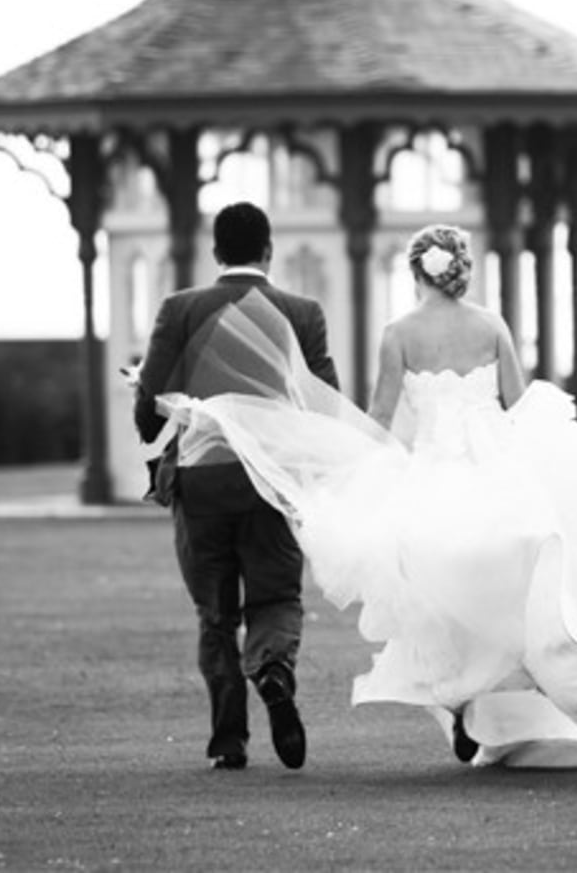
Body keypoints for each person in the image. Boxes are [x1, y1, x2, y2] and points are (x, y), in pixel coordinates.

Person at [157, 223, 577, 769]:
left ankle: (462, 705)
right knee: (514, 595)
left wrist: (337, 460)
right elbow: (517, 406)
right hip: (496, 474)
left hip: (433, 479)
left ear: (417, 274)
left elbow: (382, 418)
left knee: (434, 597)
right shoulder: (491, 326)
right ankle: (514, 696)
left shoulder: (398, 335)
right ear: (459, 269)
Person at [133, 201, 338, 772]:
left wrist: (153, 426)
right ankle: (273, 670)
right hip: (270, 480)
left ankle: (229, 740)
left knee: (215, 614)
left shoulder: (181, 308)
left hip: (203, 479)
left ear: (216, 252)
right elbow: (326, 401)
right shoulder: (301, 312)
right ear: (268, 250)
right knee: (276, 595)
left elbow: (150, 399)